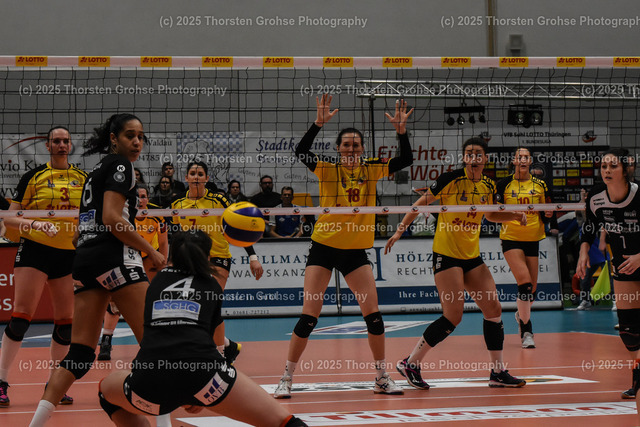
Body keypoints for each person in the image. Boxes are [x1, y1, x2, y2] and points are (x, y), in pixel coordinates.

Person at [29, 113, 166, 426]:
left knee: (79, 354)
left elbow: (79, 232)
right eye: (130, 135)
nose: (137, 142)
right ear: (114, 139)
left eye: (141, 136)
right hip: (115, 257)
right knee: (158, 345)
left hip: (85, 261)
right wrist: (151, 251)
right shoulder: (121, 166)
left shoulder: (94, 173)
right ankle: (161, 419)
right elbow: (112, 218)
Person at [274, 95, 414, 398]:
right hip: (323, 247)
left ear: (363, 149)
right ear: (338, 148)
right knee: (309, 316)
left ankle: (381, 377)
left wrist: (401, 132)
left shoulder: (372, 169)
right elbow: (301, 151)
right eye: (346, 145)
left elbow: (405, 160)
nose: (351, 149)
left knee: (373, 315)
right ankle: (286, 377)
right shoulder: (326, 169)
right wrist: (317, 124)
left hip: (354, 251)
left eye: (356, 145)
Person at [97, 230, 307, 426]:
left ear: (172, 256)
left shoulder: (156, 283)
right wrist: (196, 393)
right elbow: (212, 340)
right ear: (207, 257)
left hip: (150, 384)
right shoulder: (211, 286)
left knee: (105, 392)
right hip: (206, 379)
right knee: (284, 421)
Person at [385, 136, 528, 390]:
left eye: (478, 154)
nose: (474, 158)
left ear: (485, 159)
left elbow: (491, 214)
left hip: (472, 257)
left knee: (493, 310)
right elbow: (420, 204)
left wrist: (514, 216)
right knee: (453, 316)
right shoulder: (450, 179)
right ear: (464, 158)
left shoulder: (488, 185)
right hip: (447, 255)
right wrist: (399, 230)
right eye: (469, 154)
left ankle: (497, 372)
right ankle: (411, 363)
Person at [0, 126, 87, 407]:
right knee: (20, 319)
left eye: (65, 141)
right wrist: (35, 224)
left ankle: (55, 385)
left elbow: (91, 217)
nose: (61, 145)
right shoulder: (33, 177)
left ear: (70, 146)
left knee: (65, 325)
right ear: (48, 146)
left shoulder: (83, 179)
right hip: (35, 250)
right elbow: (9, 219)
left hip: (68, 254)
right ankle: (1, 382)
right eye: (56, 141)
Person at [171, 161, 263, 364]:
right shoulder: (177, 203)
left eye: (200, 174)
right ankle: (229, 347)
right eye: (192, 173)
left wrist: (253, 257)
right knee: (194, 309)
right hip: (189, 260)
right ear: (186, 178)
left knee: (211, 304)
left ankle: (219, 355)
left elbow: (239, 226)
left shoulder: (218, 200)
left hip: (217, 258)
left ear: (207, 178)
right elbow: (176, 236)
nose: (196, 177)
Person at [577, 148, 640, 402]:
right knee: (628, 331)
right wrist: (583, 251)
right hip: (623, 266)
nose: (607, 171)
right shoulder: (596, 197)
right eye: (604, 166)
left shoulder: (638, 195)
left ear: (626, 169)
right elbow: (589, 227)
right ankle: (637, 377)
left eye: (613, 166)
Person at [97, 185, 169, 361]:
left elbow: (163, 242)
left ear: (148, 198)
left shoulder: (157, 215)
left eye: (143, 196)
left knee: (150, 299)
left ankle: (151, 343)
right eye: (137, 196)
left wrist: (163, 264)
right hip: (126, 256)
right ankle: (106, 341)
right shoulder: (122, 213)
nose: (140, 200)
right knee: (115, 302)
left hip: (149, 256)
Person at [495, 148, 553, 349]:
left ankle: (521, 314)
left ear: (530, 161)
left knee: (532, 290)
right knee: (525, 284)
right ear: (514, 161)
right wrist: (513, 216)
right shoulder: (504, 184)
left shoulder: (540, 185)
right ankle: (526, 331)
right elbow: (494, 213)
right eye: (519, 157)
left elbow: (547, 211)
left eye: (526, 157)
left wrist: (548, 214)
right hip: (511, 238)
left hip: (533, 239)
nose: (522, 160)